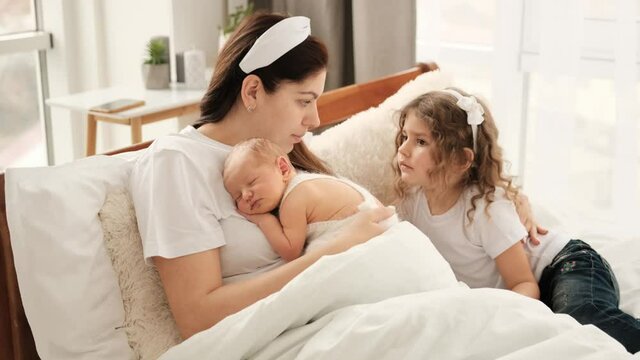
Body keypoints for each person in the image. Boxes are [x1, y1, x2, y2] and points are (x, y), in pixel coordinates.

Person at [129, 13, 396, 339]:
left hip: (357, 306)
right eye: (304, 101)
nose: (314, 119)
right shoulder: (177, 163)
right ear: (253, 91)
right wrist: (332, 254)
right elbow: (197, 318)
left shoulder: (281, 154)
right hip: (296, 332)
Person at [394, 88, 640, 353]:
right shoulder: (410, 200)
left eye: (421, 142)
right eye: (405, 136)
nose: (403, 149)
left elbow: (524, 283)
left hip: (566, 265)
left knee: (581, 317)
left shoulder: (485, 210)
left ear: (461, 159)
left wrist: (497, 317)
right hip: (536, 292)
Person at [223, 137, 396, 261]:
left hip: (367, 241)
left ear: (283, 169)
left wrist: (265, 221)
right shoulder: (313, 180)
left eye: (252, 182)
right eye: (237, 196)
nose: (246, 195)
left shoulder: (294, 199)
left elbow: (291, 252)